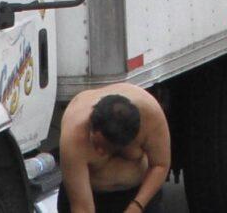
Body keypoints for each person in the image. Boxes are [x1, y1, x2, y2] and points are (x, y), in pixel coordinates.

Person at [58, 84, 168, 213]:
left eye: (105, 148)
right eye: (95, 143)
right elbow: (82, 208)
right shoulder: (74, 133)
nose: (99, 151)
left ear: (127, 141)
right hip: (92, 196)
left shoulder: (150, 115)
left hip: (139, 192)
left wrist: (137, 206)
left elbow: (160, 165)